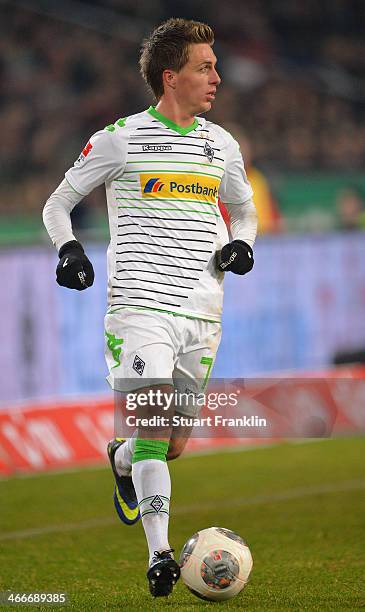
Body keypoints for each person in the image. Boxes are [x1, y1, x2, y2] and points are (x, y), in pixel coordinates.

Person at [43, 18, 257, 598]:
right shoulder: (121, 138)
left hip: (203, 312)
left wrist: (243, 244)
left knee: (173, 441)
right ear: (172, 76)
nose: (216, 76)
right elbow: (57, 205)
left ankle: (121, 462)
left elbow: (245, 209)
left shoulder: (222, 145)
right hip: (141, 310)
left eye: (214, 65)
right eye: (204, 67)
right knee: (158, 434)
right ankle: (160, 556)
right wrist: (68, 249)